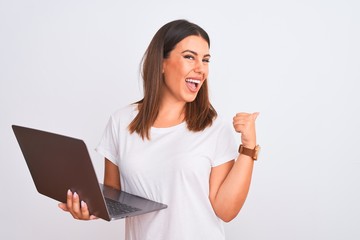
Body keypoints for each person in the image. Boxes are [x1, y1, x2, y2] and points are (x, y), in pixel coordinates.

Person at [59, 19, 260, 240]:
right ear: (161, 63)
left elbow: (226, 210)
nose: (201, 69)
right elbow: (113, 196)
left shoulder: (214, 129)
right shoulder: (121, 121)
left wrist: (248, 148)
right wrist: (88, 208)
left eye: (206, 60)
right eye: (189, 57)